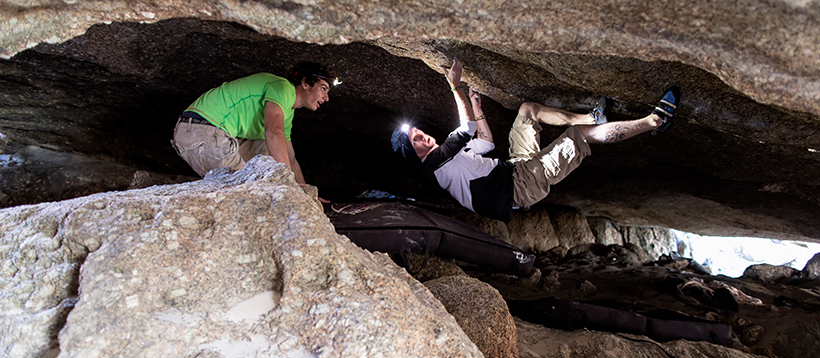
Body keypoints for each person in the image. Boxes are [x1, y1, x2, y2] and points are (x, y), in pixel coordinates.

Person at [391, 57, 679, 222]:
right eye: (416, 140)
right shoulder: (437, 165)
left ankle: (594, 117)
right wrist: (456, 85)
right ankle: (654, 121)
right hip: (521, 187)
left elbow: (487, 143)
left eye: (417, 132)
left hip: (515, 169)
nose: (422, 135)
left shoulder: (447, 158)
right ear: (416, 155)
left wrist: (478, 110)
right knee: (579, 138)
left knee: (527, 111)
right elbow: (465, 127)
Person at [171, 62, 338, 199]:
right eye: (323, 88)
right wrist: (288, 185)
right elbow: (273, 132)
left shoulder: (287, 113)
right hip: (201, 130)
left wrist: (307, 194)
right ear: (305, 83)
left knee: (271, 152)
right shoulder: (282, 87)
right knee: (251, 194)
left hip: (216, 135)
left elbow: (290, 158)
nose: (327, 98)